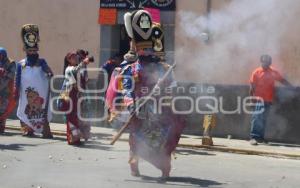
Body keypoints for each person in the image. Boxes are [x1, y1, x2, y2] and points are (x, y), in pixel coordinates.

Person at [120, 10, 186, 179]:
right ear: (137, 50)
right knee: (136, 140)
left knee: (166, 137)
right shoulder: (130, 69)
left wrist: (163, 91)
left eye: (150, 49)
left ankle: (164, 166)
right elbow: (126, 89)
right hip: (140, 111)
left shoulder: (164, 69)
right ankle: (134, 164)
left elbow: (173, 88)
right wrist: (132, 105)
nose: (148, 52)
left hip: (160, 111)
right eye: (144, 49)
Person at [15, 24, 53, 138]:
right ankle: (28, 129)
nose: (32, 52)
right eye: (30, 50)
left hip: (41, 92)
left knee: (42, 110)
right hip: (25, 93)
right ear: (26, 50)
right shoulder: (20, 64)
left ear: (37, 50)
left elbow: (47, 69)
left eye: (34, 50)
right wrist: (15, 90)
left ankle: (45, 130)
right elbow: (17, 78)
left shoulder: (42, 62)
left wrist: (49, 72)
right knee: (25, 109)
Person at [249, 54, 292, 145]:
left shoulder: (273, 71)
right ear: (261, 62)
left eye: (269, 62)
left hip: (268, 100)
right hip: (258, 99)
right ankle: (254, 137)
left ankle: (260, 138)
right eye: (265, 62)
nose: (267, 64)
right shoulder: (256, 72)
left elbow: (282, 80)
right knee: (257, 118)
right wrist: (251, 98)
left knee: (263, 119)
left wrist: (291, 87)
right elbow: (252, 86)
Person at [61, 51, 91, 145]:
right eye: (73, 57)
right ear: (68, 60)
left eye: (76, 57)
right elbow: (75, 73)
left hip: (77, 95)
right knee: (71, 117)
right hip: (70, 95)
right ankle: (72, 138)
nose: (75, 59)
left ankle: (77, 138)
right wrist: (84, 63)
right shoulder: (69, 69)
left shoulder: (77, 68)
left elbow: (84, 79)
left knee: (77, 116)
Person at [0, 47, 16, 134]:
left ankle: (1, 127)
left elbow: (12, 74)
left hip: (5, 89)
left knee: (3, 108)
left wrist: (4, 72)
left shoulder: (11, 62)